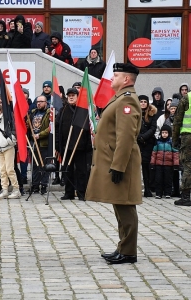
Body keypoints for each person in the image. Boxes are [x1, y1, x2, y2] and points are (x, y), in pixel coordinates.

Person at [85, 63, 141, 264]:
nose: (112, 79)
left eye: (115, 75)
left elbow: (125, 137)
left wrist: (118, 166)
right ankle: (123, 247)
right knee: (119, 205)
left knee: (125, 206)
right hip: (115, 160)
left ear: (126, 79)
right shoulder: (119, 99)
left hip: (121, 162)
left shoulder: (127, 102)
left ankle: (128, 252)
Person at [56, 88, 92, 201]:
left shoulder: (83, 110)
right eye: (69, 95)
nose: (71, 97)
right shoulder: (63, 110)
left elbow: (88, 129)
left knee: (81, 171)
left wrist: (87, 145)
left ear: (78, 97)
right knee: (67, 170)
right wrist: (58, 145)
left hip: (80, 146)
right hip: (66, 147)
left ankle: (82, 193)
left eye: (73, 95)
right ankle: (69, 193)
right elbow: (58, 128)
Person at [0, 104, 21, 199]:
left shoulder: (6, 119)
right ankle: (5, 189)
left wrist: (11, 140)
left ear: (1, 111)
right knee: (2, 170)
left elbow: (13, 130)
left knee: (9, 169)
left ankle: (16, 189)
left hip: (8, 147)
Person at [28, 95, 50, 194]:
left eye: (41, 101)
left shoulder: (49, 113)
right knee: (35, 165)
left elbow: (50, 128)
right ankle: (35, 186)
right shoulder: (33, 113)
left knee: (44, 165)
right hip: (33, 143)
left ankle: (44, 186)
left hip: (44, 143)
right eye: (37, 101)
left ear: (46, 103)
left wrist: (40, 135)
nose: (38, 103)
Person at [172, 88, 191, 206]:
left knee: (188, 165)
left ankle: (185, 196)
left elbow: (177, 120)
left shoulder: (187, 98)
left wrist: (174, 139)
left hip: (188, 136)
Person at [150, 124, 179, 199]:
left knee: (168, 179)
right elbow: (154, 153)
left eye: (166, 133)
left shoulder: (171, 142)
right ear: (160, 133)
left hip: (168, 164)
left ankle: (167, 192)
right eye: (163, 133)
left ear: (169, 133)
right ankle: (158, 193)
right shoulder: (158, 142)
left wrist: (176, 164)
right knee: (158, 179)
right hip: (159, 164)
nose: (164, 134)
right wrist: (152, 163)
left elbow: (175, 153)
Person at [137, 95, 157, 197]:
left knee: (146, 166)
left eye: (145, 101)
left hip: (148, 143)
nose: (143, 103)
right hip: (137, 143)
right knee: (136, 166)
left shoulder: (152, 114)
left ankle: (147, 189)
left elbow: (153, 128)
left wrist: (143, 137)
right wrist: (138, 137)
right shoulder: (135, 114)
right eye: (141, 101)